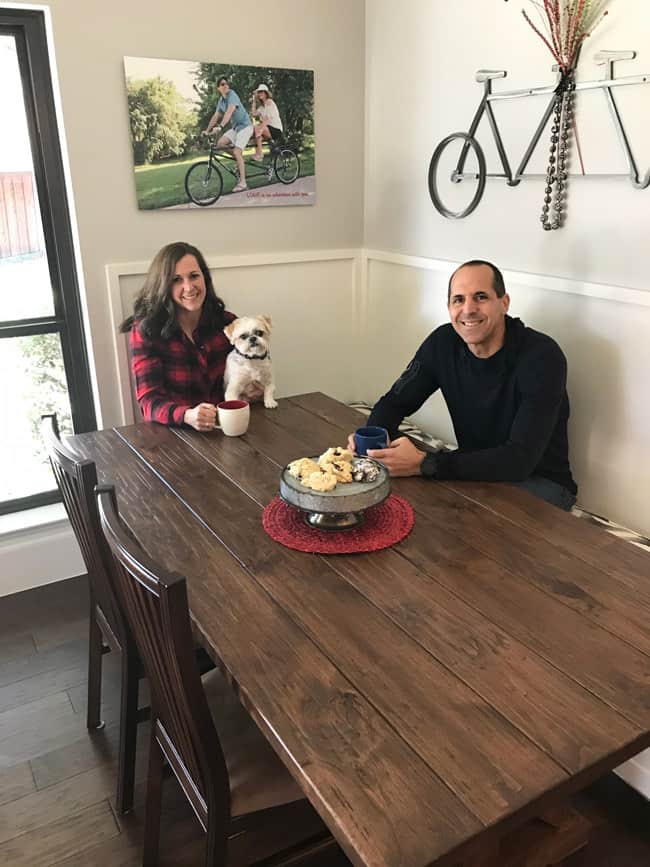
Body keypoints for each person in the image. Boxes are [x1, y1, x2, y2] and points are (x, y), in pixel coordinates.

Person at [349, 260, 577, 510]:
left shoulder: (541, 356)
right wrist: (370, 445)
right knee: (390, 507)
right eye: (458, 299)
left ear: (504, 303)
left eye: (481, 297)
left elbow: (519, 460)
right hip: (475, 474)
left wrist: (424, 463)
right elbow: (394, 402)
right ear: (449, 307)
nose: (468, 309)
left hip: (541, 485)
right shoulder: (443, 343)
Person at [119, 242, 236, 431]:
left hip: (224, 429)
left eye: (194, 276)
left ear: (205, 278)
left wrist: (253, 390)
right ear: (164, 285)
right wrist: (187, 415)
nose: (189, 287)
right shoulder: (147, 330)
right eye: (176, 280)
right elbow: (149, 402)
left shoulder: (228, 324)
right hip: (174, 436)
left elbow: (244, 376)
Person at [203, 77, 254, 193]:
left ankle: (243, 183)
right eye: (222, 84)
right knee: (220, 143)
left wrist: (220, 127)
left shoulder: (232, 94)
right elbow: (216, 116)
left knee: (236, 151)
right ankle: (239, 159)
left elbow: (230, 111)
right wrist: (207, 130)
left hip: (245, 126)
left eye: (226, 83)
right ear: (218, 88)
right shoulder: (221, 101)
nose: (225, 85)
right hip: (236, 128)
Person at [250, 84, 284, 162]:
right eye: (259, 92)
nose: (260, 93)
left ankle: (260, 155)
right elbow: (254, 114)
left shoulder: (269, 102)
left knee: (257, 127)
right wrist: (254, 101)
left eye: (262, 91)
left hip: (276, 129)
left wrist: (260, 130)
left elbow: (267, 119)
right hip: (268, 129)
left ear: (266, 93)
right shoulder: (261, 107)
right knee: (256, 131)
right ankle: (258, 154)